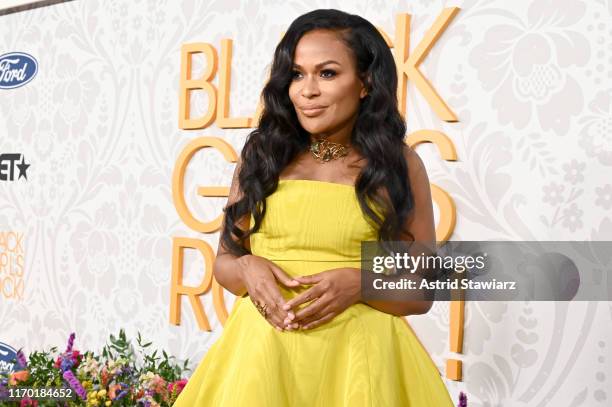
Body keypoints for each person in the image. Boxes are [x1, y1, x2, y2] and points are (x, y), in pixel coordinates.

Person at [173, 8, 455, 407]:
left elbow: (422, 289)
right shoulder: (263, 156)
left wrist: (361, 283)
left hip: (360, 363)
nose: (307, 90)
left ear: (365, 82)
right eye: (296, 74)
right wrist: (246, 267)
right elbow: (225, 263)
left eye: (327, 73)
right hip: (262, 361)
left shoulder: (398, 164)